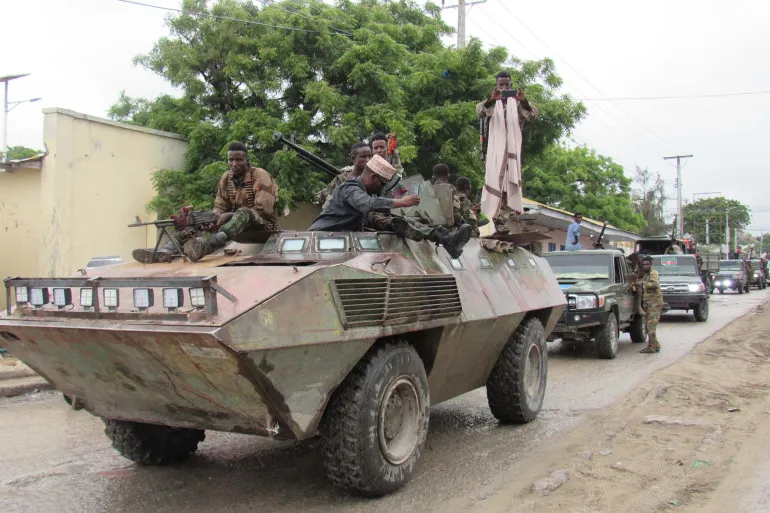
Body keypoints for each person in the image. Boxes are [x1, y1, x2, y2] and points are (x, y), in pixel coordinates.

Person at [309, 155, 472, 258]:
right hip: (318, 240)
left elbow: (384, 211)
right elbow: (367, 203)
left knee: (396, 221)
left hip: (340, 240)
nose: (382, 189)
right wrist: (401, 202)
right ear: (373, 177)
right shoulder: (349, 188)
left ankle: (446, 238)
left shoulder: (364, 192)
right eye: (382, 184)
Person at [186, 142, 278, 262]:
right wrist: (214, 218)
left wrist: (230, 215)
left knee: (243, 212)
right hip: (236, 223)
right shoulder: (226, 178)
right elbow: (220, 206)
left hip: (261, 224)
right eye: (231, 160)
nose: (234, 164)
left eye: (239, 160)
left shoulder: (260, 176)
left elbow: (264, 210)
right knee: (200, 217)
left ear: (247, 160)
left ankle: (210, 245)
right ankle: (171, 249)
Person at [477, 70, 539, 235]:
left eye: (507, 84)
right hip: (494, 155)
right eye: (501, 85)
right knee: (494, 184)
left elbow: (532, 115)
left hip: (512, 155)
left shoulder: (517, 104)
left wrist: (524, 102)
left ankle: (503, 221)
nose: (504, 88)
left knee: (509, 186)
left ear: (511, 85)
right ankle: (492, 221)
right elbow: (480, 111)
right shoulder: (490, 102)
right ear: (496, 85)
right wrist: (493, 99)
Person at [315, 142, 371, 211]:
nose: (368, 160)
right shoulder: (340, 179)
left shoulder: (372, 178)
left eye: (369, 156)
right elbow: (329, 205)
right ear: (353, 158)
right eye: (363, 156)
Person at [639, 255, 664, 354]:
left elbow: (655, 284)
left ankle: (652, 347)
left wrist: (642, 284)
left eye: (647, 264)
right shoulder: (646, 274)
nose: (645, 266)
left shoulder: (653, 273)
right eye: (643, 264)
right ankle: (655, 345)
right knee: (648, 326)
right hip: (649, 305)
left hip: (655, 305)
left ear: (651, 265)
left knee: (650, 326)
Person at [432, 163, 464, 227]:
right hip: (447, 228)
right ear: (448, 175)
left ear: (433, 176)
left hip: (431, 226)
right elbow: (455, 214)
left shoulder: (429, 190)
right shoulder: (451, 190)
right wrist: (463, 221)